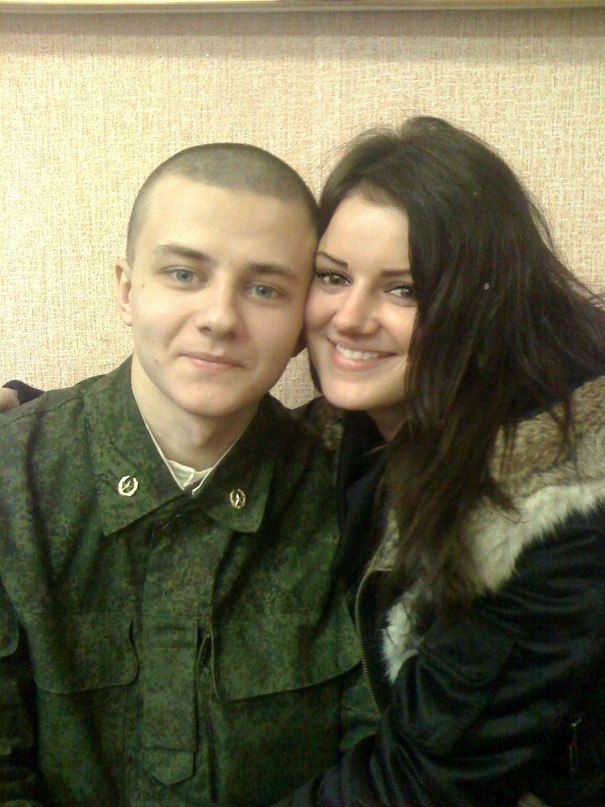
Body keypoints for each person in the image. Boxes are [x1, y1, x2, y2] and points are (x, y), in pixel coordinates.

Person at [0, 143, 378, 806]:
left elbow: (375, 757)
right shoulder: (15, 486)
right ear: (127, 290)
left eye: (265, 289)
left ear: (302, 325)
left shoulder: (346, 491)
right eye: (183, 274)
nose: (220, 318)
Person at [286, 116, 605, 806]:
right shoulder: (363, 427)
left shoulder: (555, 506)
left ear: (483, 301)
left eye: (403, 289)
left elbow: (424, 785)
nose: (350, 317)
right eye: (332, 276)